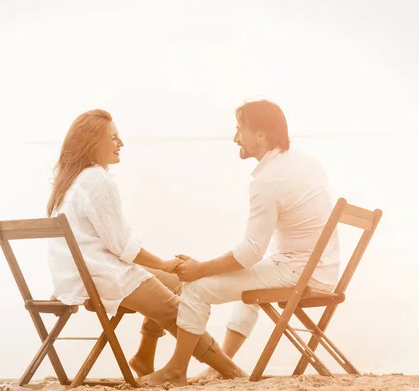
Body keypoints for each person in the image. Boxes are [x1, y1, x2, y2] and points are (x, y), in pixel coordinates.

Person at [141, 100, 340, 386]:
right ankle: (220, 367)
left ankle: (176, 368)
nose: (235, 138)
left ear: (262, 135)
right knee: (252, 281)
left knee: (196, 289)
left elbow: (249, 252)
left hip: (300, 273)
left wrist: (200, 269)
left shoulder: (268, 181)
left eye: (239, 130)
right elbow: (253, 256)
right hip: (321, 270)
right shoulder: (305, 162)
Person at [46, 108, 245, 381]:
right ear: (92, 144)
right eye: (113, 138)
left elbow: (114, 245)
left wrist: (163, 268)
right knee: (180, 311)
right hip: (104, 276)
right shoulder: (96, 181)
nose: (121, 144)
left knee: (183, 285)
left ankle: (144, 355)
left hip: (86, 274)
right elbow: (123, 247)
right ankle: (232, 371)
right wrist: (163, 263)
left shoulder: (71, 182)